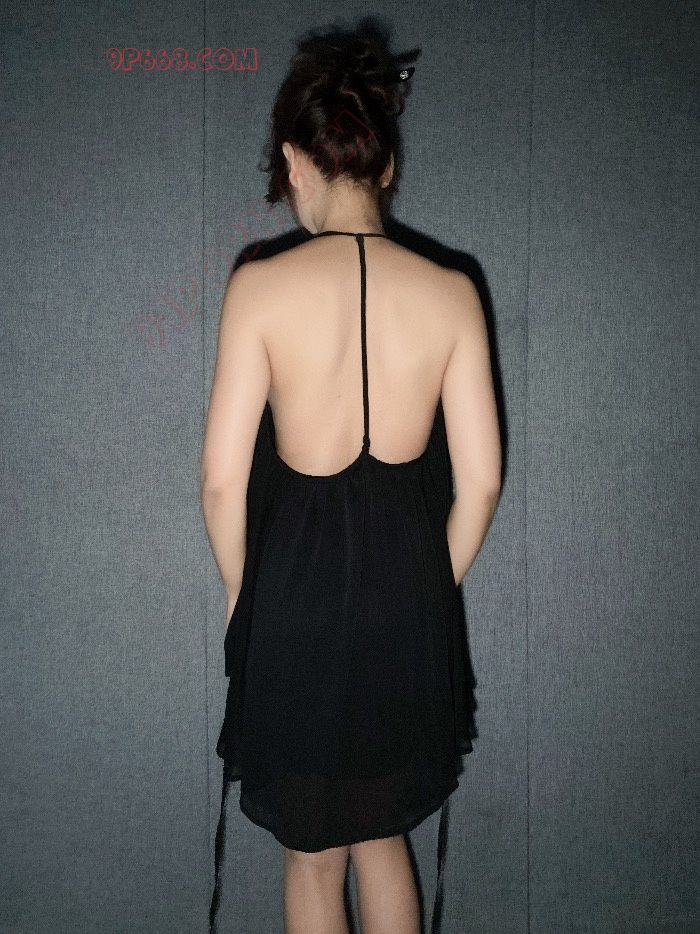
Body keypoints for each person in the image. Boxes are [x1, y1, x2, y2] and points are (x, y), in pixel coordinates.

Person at [200, 24, 502, 934]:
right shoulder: (453, 291)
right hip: (406, 610)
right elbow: (482, 484)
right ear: (388, 165)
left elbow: (221, 484)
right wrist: (429, 584)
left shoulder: (259, 286)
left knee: (312, 856)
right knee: (384, 837)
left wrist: (242, 596)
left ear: (296, 163)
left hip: (292, 609)